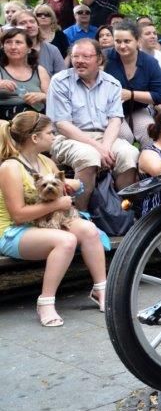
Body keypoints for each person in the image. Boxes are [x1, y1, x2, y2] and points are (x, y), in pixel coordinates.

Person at [0, 111, 108, 324]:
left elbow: (61, 188)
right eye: (50, 133)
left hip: (45, 224)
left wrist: (74, 185)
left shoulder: (45, 162)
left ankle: (102, 290)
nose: (54, 137)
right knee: (66, 241)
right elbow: (18, 215)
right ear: (35, 138)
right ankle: (46, 302)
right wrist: (58, 203)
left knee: (88, 230)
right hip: (13, 230)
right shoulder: (10, 167)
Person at [47, 39, 139, 208]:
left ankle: (124, 210)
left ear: (99, 59)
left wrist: (106, 145)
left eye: (86, 56)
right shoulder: (60, 81)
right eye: (75, 56)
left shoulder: (112, 83)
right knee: (89, 156)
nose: (79, 60)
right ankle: (80, 214)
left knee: (129, 153)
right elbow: (62, 124)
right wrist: (99, 149)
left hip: (104, 137)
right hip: (68, 138)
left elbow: (115, 120)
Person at [103, 20, 161, 144]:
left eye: (127, 41)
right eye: (118, 41)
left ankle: (148, 161)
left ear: (137, 41)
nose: (122, 46)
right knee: (124, 136)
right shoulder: (104, 58)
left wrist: (131, 95)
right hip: (109, 111)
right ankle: (126, 162)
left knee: (149, 132)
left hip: (137, 109)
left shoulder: (150, 63)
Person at [1, 28, 50, 119]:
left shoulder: (39, 70)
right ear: (3, 47)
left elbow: (53, 99)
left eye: (18, 42)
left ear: (29, 48)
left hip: (34, 119)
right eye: (8, 42)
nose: (13, 47)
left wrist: (42, 96)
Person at [11, 10, 65, 77]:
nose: (29, 25)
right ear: (14, 28)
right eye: (23, 23)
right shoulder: (10, 51)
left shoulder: (52, 50)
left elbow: (62, 77)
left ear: (38, 25)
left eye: (32, 21)